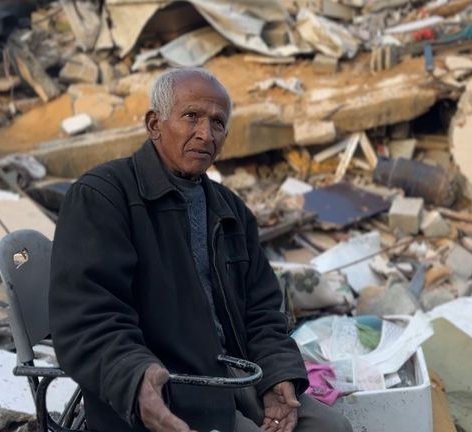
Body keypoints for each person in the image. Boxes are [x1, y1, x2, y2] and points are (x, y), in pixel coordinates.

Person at [49, 68, 353, 432]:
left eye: (218, 123)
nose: (205, 134)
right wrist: (135, 380)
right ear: (154, 124)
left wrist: (278, 377)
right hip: (169, 389)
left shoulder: (231, 210)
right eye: (191, 116)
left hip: (237, 378)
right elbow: (89, 317)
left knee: (330, 428)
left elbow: (263, 310)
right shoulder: (103, 197)